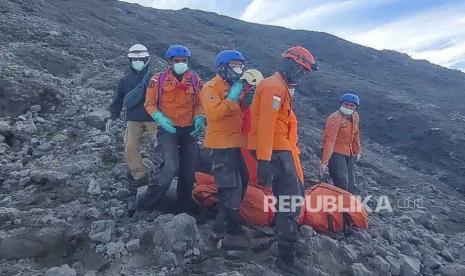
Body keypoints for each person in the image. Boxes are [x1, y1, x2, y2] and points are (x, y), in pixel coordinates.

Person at [248, 46, 318, 274]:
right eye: (300, 69)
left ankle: (283, 241)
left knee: (288, 199)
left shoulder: (278, 86)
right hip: (275, 151)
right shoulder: (274, 88)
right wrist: (264, 160)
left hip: (278, 150)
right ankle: (285, 260)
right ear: (290, 62)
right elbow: (267, 126)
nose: (301, 74)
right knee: (291, 201)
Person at [137, 45, 204, 212]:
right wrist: (160, 118)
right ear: (170, 62)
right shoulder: (158, 80)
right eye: (177, 61)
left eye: (184, 61)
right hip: (168, 130)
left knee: (189, 170)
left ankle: (184, 204)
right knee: (170, 167)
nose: (181, 63)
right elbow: (149, 104)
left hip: (190, 130)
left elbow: (200, 104)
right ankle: (147, 204)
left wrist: (199, 117)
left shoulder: (195, 80)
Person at [201, 50, 250, 249]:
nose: (239, 69)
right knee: (230, 190)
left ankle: (226, 225)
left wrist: (244, 95)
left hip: (235, 144)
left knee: (242, 182)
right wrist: (232, 98)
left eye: (241, 65)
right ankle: (225, 233)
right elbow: (213, 115)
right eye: (235, 65)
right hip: (221, 145)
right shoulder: (210, 88)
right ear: (223, 67)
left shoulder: (234, 86)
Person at [109, 44, 156, 186]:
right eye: (135, 59)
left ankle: (165, 173)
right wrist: (112, 115)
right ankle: (140, 177)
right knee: (130, 148)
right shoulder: (125, 79)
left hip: (154, 118)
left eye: (141, 59)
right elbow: (118, 98)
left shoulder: (156, 78)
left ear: (146, 59)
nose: (138, 61)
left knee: (163, 146)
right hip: (133, 119)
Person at [320, 93, 361, 193]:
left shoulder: (355, 116)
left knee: (351, 184)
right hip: (335, 152)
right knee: (342, 181)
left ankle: (348, 205)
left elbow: (355, 134)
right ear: (341, 104)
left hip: (348, 151)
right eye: (346, 105)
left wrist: (357, 150)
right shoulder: (334, 119)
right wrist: (324, 161)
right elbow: (329, 140)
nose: (348, 107)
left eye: (352, 106)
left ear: (355, 107)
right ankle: (339, 205)